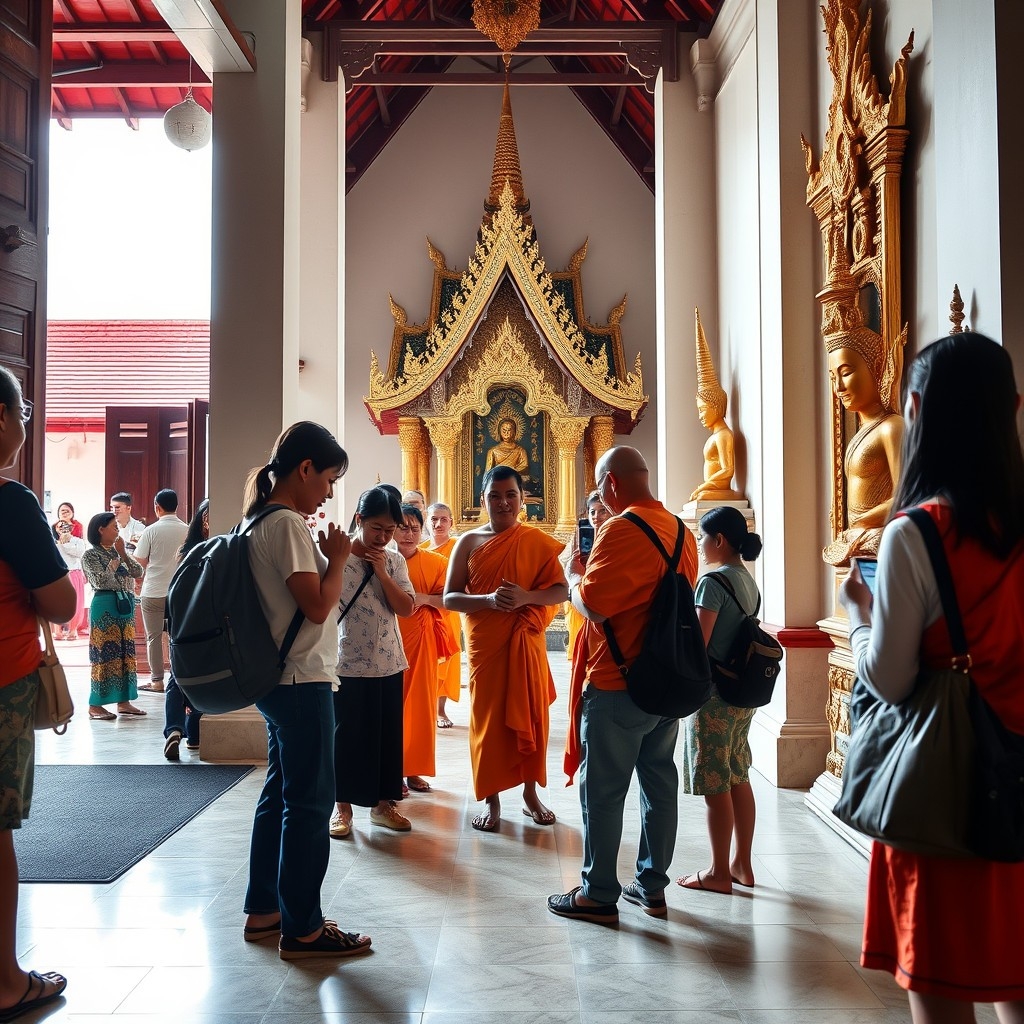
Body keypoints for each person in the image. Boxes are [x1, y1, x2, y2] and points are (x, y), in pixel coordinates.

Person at [839, 333, 1024, 1022]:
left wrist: (859, 617)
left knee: (945, 998)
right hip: (1020, 777)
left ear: (913, 410)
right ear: (1013, 408)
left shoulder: (918, 532)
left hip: (949, 792)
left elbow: (889, 680)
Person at [549, 446, 697, 923]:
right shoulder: (682, 530)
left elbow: (594, 604)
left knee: (605, 792)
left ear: (610, 483)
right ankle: (652, 886)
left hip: (618, 683)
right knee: (659, 782)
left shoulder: (619, 528)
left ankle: (597, 892)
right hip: (666, 680)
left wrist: (573, 575)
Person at [240, 421, 370, 960]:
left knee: (279, 794)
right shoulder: (287, 525)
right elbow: (318, 606)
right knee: (311, 803)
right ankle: (304, 928)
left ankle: (266, 908)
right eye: (329, 479)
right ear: (304, 469)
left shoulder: (256, 521)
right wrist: (338, 556)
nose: (330, 493)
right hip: (301, 679)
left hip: (278, 679)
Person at [0, 368, 74, 1021]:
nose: (25, 426)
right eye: (23, 412)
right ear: (1, 418)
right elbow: (59, 597)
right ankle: (4, 981)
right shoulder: (8, 501)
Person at [444, 465, 567, 832]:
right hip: (486, 646)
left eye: (510, 495)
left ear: (522, 499)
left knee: (529, 716)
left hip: (524, 645)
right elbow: (450, 597)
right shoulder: (468, 542)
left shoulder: (534, 541)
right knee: (487, 722)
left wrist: (527, 597)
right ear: (483, 500)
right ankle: (491, 799)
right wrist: (488, 600)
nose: (503, 503)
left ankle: (530, 794)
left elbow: (561, 590)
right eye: (494, 496)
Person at [676, 505, 763, 894]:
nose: (699, 543)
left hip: (714, 697)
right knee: (737, 773)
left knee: (715, 782)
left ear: (720, 540)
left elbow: (700, 644)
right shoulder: (747, 581)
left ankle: (717, 872)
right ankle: (742, 864)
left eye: (702, 537)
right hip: (741, 694)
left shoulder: (713, 583)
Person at [331, 487, 416, 838]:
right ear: (359, 520)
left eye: (390, 530)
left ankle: (383, 806)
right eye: (376, 528)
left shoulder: (394, 560)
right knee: (347, 738)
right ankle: (342, 810)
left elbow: (407, 607)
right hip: (347, 661)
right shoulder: (336, 557)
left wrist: (381, 572)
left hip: (388, 661)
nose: (383, 537)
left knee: (385, 738)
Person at [395, 505, 458, 793]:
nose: (409, 533)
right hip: (388, 642)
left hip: (421, 642)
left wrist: (424, 599)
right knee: (392, 710)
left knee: (420, 710)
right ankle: (392, 769)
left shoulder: (434, 562)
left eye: (414, 528)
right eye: (403, 527)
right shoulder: (383, 561)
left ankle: (414, 770)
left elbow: (450, 599)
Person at [81, 511, 146, 720]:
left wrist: (124, 555)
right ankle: (95, 705)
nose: (118, 531)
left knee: (125, 653)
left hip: (124, 606)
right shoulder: (90, 555)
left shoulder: (119, 552)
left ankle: (124, 702)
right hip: (105, 606)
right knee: (104, 654)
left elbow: (138, 572)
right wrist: (113, 566)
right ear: (101, 530)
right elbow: (100, 582)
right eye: (114, 527)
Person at [162, 499, 209, 760]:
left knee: (177, 677)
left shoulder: (186, 552)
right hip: (206, 623)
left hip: (182, 621)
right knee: (203, 674)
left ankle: (176, 730)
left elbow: (175, 591)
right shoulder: (218, 550)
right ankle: (193, 732)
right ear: (203, 521)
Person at [134, 489, 188, 693]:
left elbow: (139, 563)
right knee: (177, 636)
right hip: (179, 592)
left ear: (157, 507)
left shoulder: (151, 530)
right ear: (177, 506)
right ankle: (179, 678)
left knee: (154, 637)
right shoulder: (187, 529)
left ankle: (157, 681)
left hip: (153, 590)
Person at [690, 310, 743, 502]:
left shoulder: (724, 435)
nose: (700, 415)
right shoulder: (717, 435)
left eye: (703, 409)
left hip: (717, 490)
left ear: (716, 406)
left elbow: (728, 470)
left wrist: (703, 486)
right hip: (712, 491)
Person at [560, 490, 612, 662]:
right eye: (592, 512)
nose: (597, 516)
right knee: (580, 655)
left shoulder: (616, 534)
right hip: (579, 598)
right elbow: (564, 563)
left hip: (604, 600)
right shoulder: (580, 536)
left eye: (602, 510)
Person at [422, 502, 461, 728]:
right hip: (424, 613)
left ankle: (440, 710)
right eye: (434, 519)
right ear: (427, 522)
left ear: (451, 523)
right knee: (426, 663)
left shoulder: (457, 548)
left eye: (443, 519)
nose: (438, 524)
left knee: (445, 664)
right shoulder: (421, 550)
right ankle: (423, 706)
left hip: (447, 613)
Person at [51, 502, 88, 639]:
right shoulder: (53, 541)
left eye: (67, 511)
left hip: (74, 572)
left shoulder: (77, 540)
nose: (64, 513)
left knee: (76, 603)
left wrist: (66, 541)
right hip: (58, 573)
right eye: (61, 511)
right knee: (56, 602)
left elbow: (80, 553)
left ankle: (73, 630)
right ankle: (57, 631)